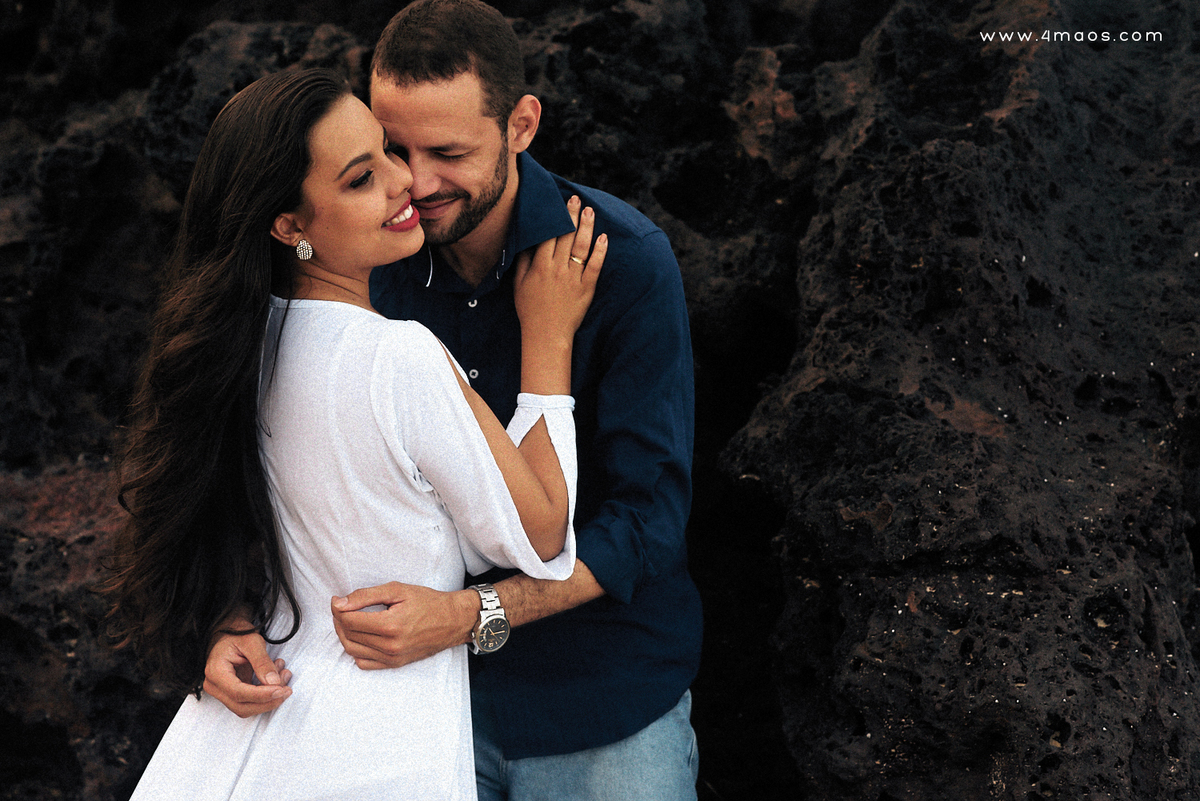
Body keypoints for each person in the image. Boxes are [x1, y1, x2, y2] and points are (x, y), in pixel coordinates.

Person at [205, 1, 705, 798]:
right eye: (391, 150)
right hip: (399, 706)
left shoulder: (623, 260)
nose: (415, 182)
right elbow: (259, 462)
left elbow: (646, 523)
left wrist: (467, 614)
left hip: (597, 698)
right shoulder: (360, 254)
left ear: (521, 125)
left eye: (448, 152)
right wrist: (225, 616)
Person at [104, 66, 606, 799]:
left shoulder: (243, 346)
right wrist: (548, 343)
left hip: (242, 732)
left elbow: (223, 515)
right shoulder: (399, 356)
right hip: (375, 738)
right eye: (360, 179)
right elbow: (537, 534)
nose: (404, 183)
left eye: (387, 154)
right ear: (289, 226)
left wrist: (223, 619)